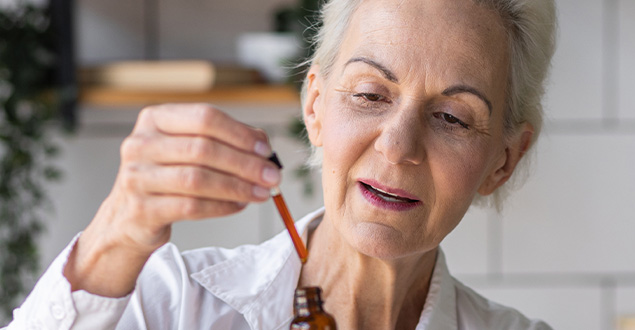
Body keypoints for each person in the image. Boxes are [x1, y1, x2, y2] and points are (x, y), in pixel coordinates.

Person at [5, 0, 557, 328]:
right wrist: (111, 240)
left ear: (502, 161)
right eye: (370, 93)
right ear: (315, 106)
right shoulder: (172, 305)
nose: (397, 145)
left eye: (453, 118)